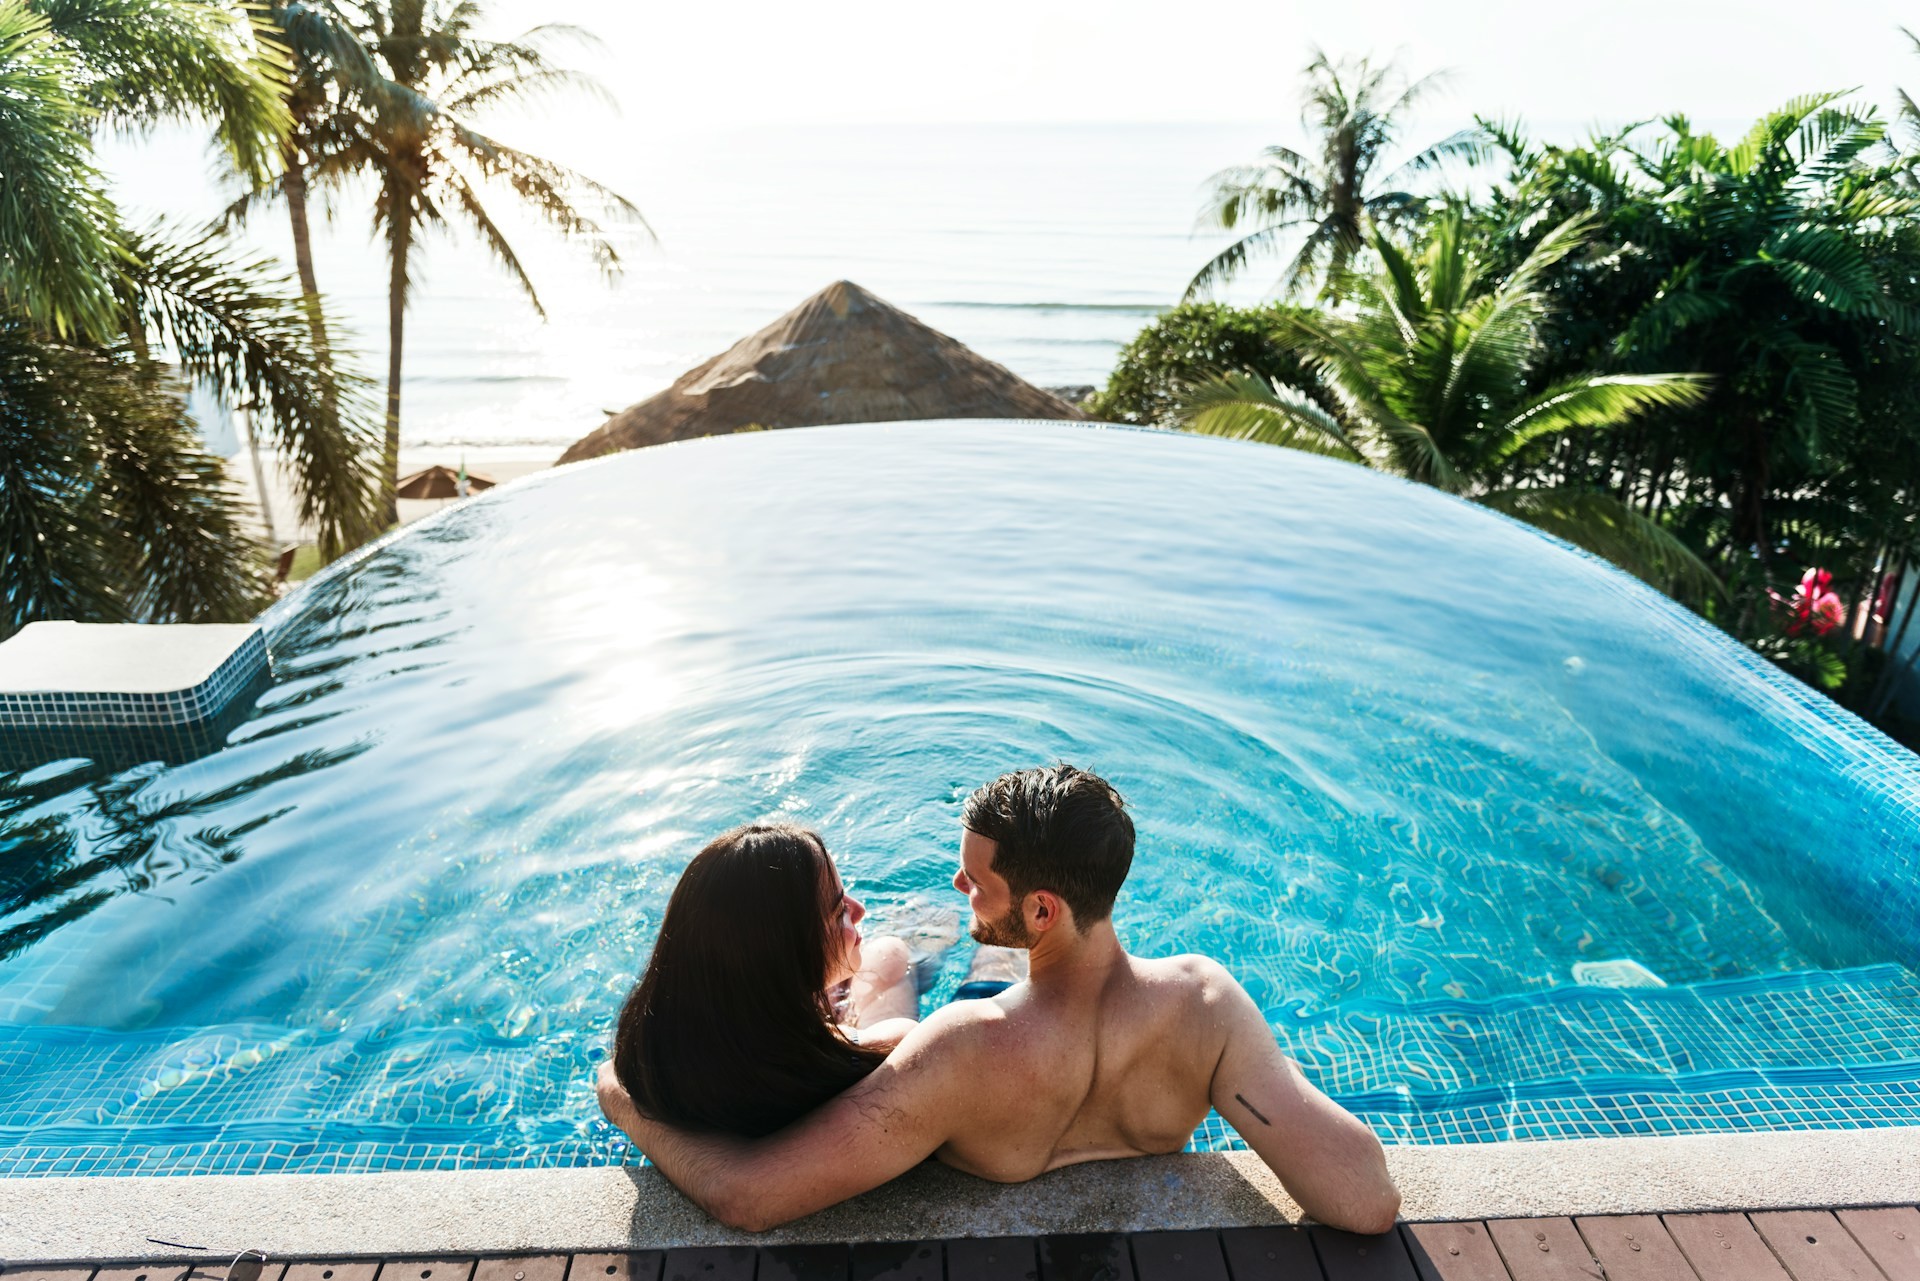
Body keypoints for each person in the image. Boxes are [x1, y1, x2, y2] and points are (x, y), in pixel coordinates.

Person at [596, 765, 1401, 1234]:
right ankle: (1000, 937)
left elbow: (748, 1194)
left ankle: (956, 942)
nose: (957, 881)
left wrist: (630, 1107)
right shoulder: (1205, 1001)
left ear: (1043, 906)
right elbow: (1367, 1200)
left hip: (1004, 1044)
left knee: (891, 953)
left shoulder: (957, 1048)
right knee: (978, 943)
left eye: (975, 877)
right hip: (1069, 1003)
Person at [607, 822, 921, 1138]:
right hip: (833, 1051)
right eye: (840, 911)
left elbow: (607, 1077)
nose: (860, 909)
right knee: (890, 954)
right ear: (788, 952)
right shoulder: (858, 1059)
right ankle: (975, 973)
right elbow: (900, 1038)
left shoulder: (654, 1049)